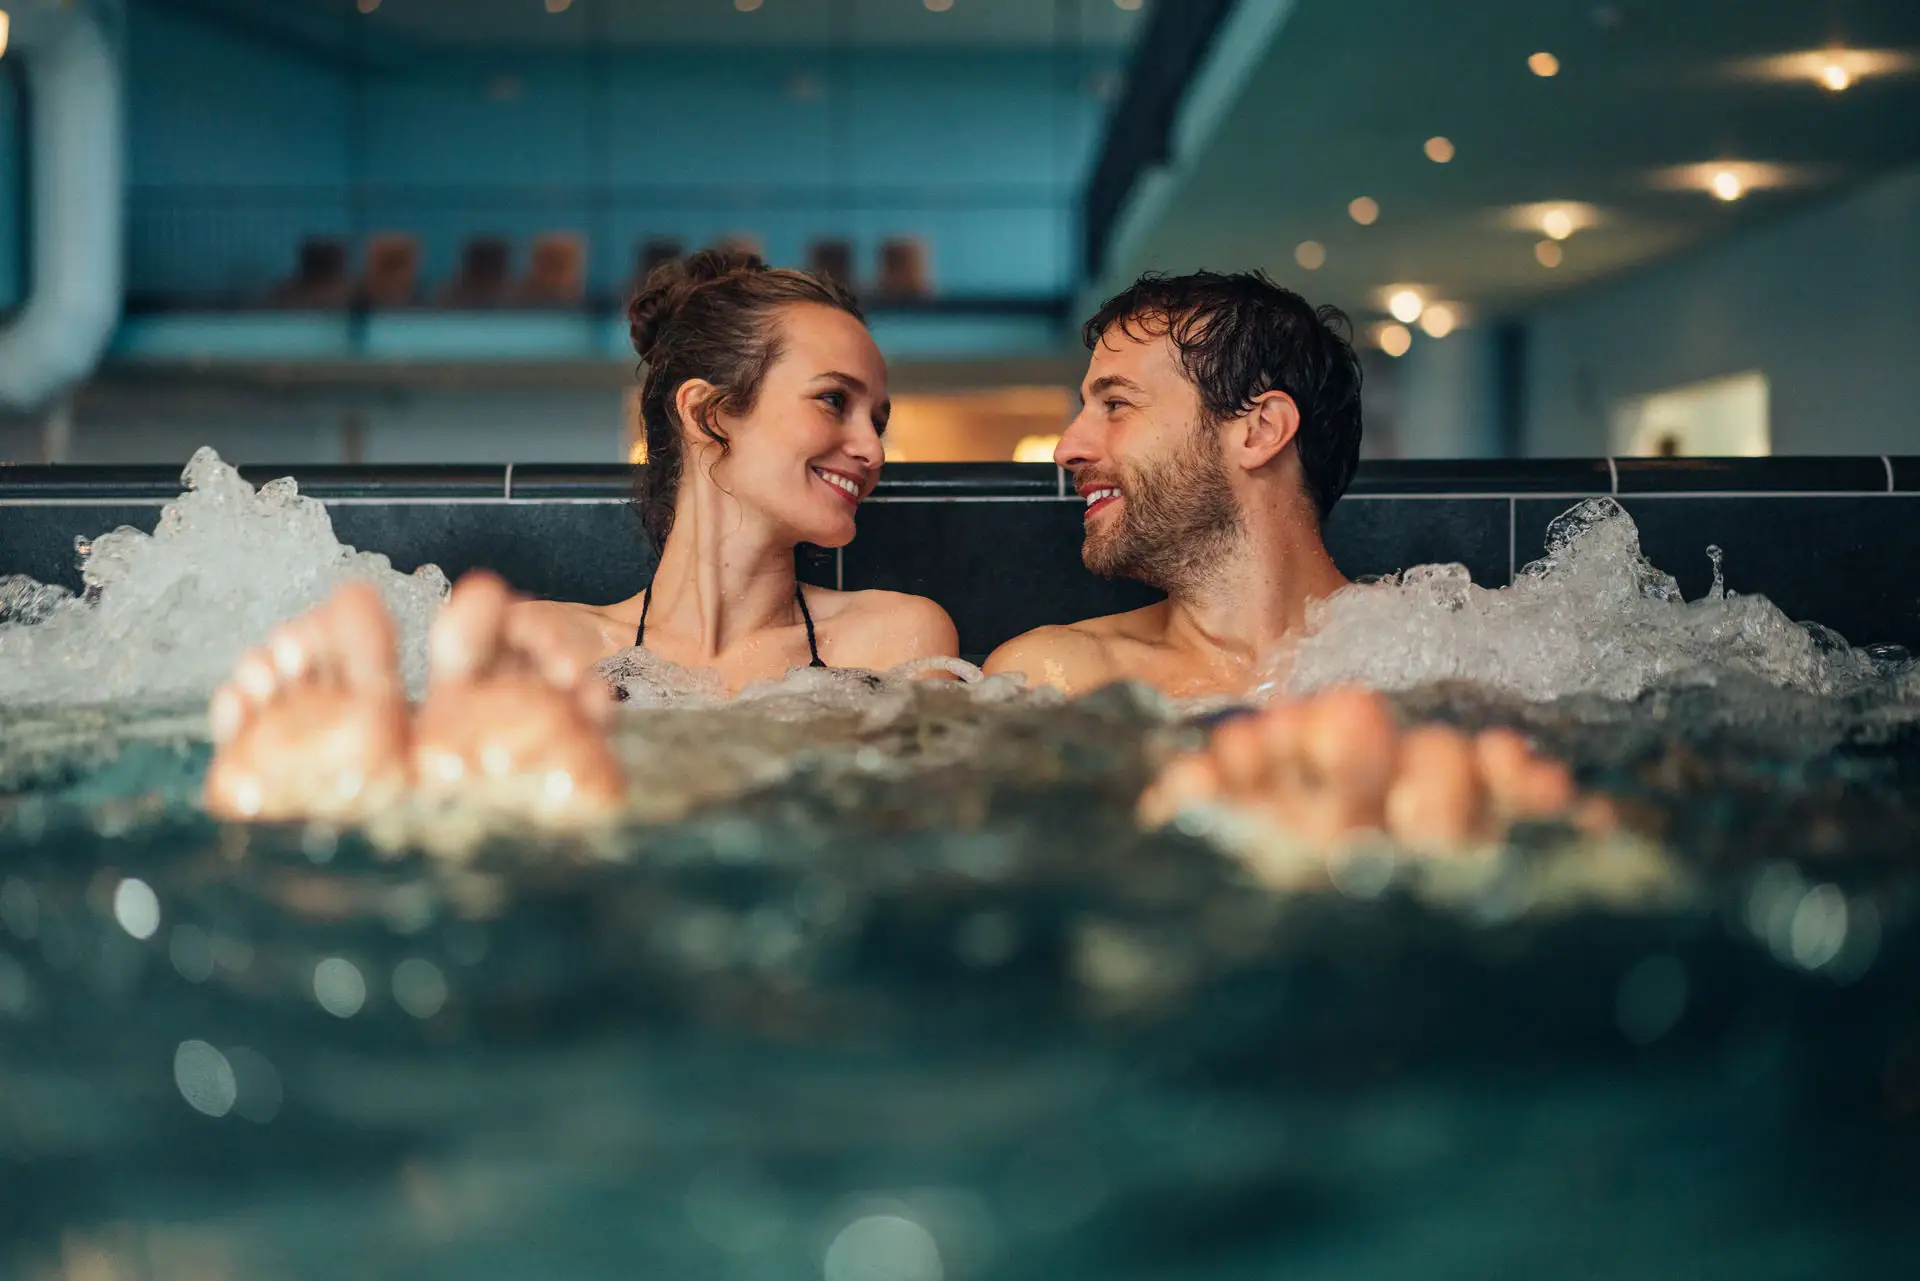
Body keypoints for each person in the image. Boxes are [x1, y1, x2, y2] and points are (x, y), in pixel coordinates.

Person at [204, 251, 958, 822]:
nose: (873, 449)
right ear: (707, 414)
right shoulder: (552, 646)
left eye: (878, 420)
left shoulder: (894, 639)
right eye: (835, 401)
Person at [986, 271, 1606, 850]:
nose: (1069, 447)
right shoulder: (1051, 676)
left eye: (1115, 405)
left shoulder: (1461, 657)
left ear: (1259, 431)